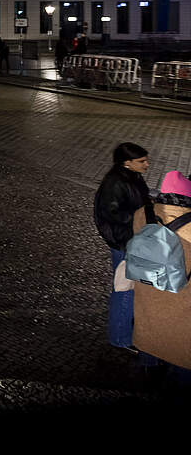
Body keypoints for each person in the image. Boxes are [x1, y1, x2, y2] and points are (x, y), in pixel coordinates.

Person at [131, 169, 191, 382]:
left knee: (150, 328)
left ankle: (147, 369)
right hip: (181, 296)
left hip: (149, 286)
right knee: (181, 344)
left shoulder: (142, 214)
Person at [93, 143, 152, 352]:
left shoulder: (131, 176)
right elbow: (113, 213)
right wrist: (141, 220)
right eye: (142, 161)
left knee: (130, 288)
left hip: (133, 239)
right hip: (125, 242)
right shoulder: (116, 182)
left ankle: (125, 332)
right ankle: (120, 337)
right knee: (124, 289)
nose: (147, 164)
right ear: (127, 162)